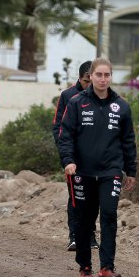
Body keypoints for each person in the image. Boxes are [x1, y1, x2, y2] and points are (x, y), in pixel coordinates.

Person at [57, 58, 137, 277]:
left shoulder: (121, 106)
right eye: (99, 75)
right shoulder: (76, 102)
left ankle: (107, 267)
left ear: (111, 77)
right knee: (84, 219)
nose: (103, 79)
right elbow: (66, 136)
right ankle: (84, 266)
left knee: (110, 214)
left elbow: (128, 141)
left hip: (110, 171)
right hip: (82, 171)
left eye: (107, 75)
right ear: (90, 76)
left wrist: (130, 171)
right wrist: (68, 161)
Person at [52, 60, 97, 251]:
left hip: (97, 157)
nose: (90, 85)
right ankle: (74, 236)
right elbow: (58, 127)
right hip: (74, 158)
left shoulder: (103, 96)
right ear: (80, 78)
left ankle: (91, 235)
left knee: (94, 197)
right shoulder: (68, 96)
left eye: (92, 80)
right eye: (87, 80)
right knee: (76, 197)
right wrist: (66, 155)